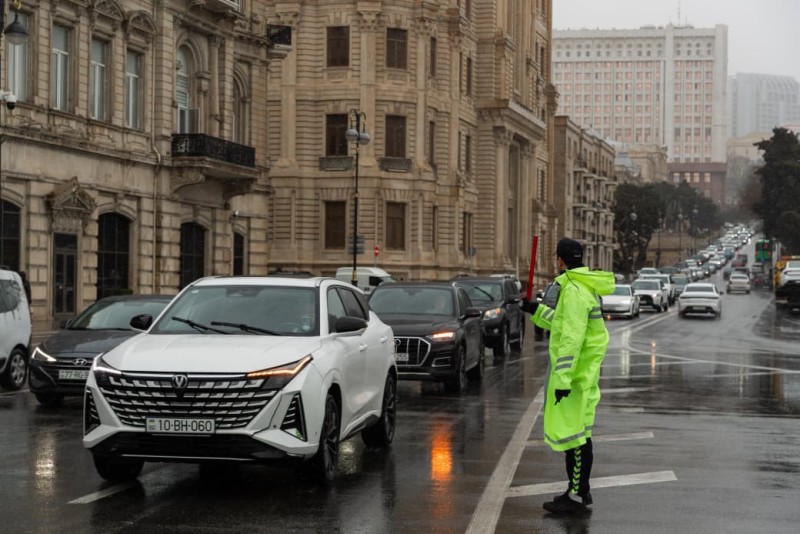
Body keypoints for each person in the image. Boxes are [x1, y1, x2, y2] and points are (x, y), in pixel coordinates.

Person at [520, 238, 615, 516]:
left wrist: (562, 381)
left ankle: (575, 496)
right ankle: (579, 491)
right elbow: (564, 324)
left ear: (559, 260)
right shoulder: (582, 287)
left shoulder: (573, 291)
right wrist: (536, 310)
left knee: (575, 439)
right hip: (582, 374)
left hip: (575, 378)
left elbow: (571, 340)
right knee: (579, 436)